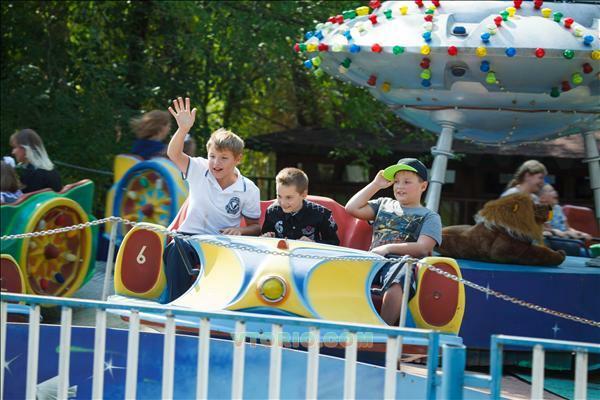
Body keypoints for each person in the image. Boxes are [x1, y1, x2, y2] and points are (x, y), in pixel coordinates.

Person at [164, 97, 261, 301]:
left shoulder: (249, 189)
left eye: (224, 158)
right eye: (212, 156)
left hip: (223, 243)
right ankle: (175, 307)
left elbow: (255, 227)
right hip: (189, 238)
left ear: (238, 159)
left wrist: (240, 230)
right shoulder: (199, 168)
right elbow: (173, 154)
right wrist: (182, 129)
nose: (216, 163)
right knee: (175, 249)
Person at [345, 158, 441, 325]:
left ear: (423, 186)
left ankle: (384, 328)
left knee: (398, 277)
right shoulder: (383, 204)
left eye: (407, 182)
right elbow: (351, 208)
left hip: (400, 263)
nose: (399, 186)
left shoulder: (430, 216)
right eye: (396, 182)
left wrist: (387, 248)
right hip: (372, 259)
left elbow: (423, 248)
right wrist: (376, 185)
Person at [261, 167, 339, 245]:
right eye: (279, 196)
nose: (283, 202)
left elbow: (334, 242)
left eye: (289, 197)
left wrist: (313, 243)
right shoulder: (272, 211)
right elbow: (266, 236)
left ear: (303, 194)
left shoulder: (321, 213)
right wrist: (266, 237)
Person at [9, 129, 62, 193]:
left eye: (15, 147)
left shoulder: (33, 175)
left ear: (26, 149)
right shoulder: (52, 170)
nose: (13, 152)